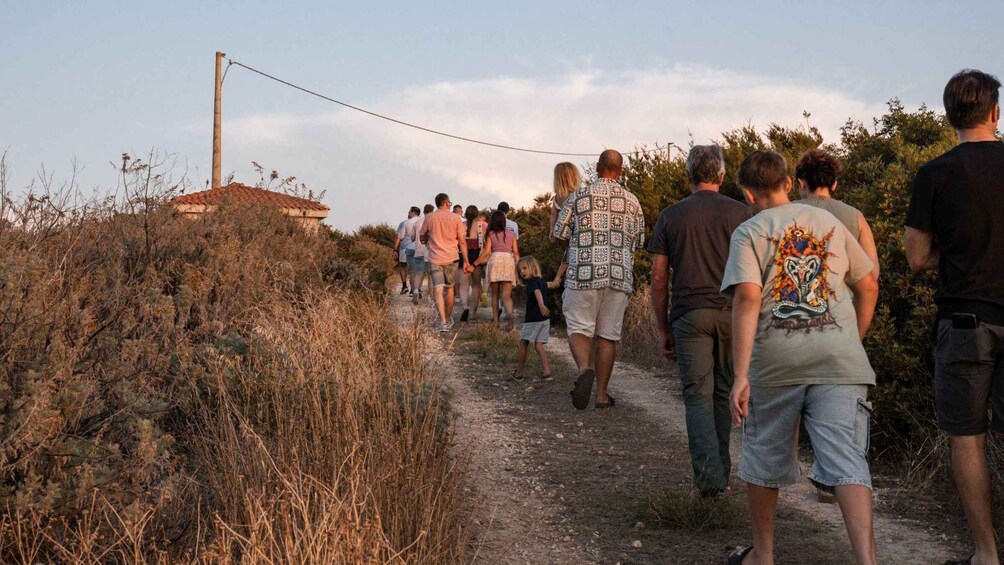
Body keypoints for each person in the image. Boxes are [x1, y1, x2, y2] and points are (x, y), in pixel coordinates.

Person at [722, 150, 879, 565]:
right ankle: (868, 561)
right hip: (841, 363)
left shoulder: (749, 232)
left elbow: (747, 298)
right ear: (788, 183)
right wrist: (852, 342)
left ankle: (764, 556)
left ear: (747, 193)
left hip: (776, 365)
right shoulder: (830, 221)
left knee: (764, 458)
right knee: (847, 461)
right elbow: (868, 285)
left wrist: (740, 375)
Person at [905, 69, 1004, 565]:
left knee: (967, 438)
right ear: (995, 112)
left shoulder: (935, 173)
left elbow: (916, 257)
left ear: (949, 117)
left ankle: (986, 553)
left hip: (964, 319)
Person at [648, 144, 753, 497]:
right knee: (726, 392)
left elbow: (659, 279)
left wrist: (662, 328)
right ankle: (721, 475)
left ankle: (708, 480)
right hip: (733, 314)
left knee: (697, 397)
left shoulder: (670, 216)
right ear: (722, 176)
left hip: (690, 315)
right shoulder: (743, 213)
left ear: (688, 176)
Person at [553, 149, 645, 410]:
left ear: (597, 167)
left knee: (580, 327)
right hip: (618, 275)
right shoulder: (633, 201)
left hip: (583, 273)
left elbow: (559, 234)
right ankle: (602, 396)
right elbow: (638, 241)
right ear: (621, 171)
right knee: (608, 335)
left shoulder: (578, 196)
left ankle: (584, 369)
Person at [796, 149, 880, 282]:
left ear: (801, 183)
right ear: (834, 184)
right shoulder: (856, 216)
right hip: (846, 300)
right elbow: (872, 273)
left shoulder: (782, 213)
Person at [419, 193, 471, 332]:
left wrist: (428, 239)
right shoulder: (456, 218)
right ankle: (447, 319)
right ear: (447, 203)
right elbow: (462, 241)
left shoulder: (429, 217)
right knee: (449, 289)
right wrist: (466, 261)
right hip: (452, 257)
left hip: (435, 258)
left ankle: (442, 322)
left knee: (438, 288)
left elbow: (421, 236)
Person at [513, 256, 559, 381]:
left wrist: (541, 305)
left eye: (524, 268)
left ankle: (519, 373)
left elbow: (537, 292)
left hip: (533, 318)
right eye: (519, 270)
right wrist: (555, 283)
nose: (522, 272)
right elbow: (547, 285)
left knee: (524, 343)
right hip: (544, 319)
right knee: (539, 345)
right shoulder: (540, 280)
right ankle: (547, 372)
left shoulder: (532, 282)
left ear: (533, 267)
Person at [472, 210, 519, 330]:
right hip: (508, 260)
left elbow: (487, 251)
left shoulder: (490, 234)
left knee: (495, 295)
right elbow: (516, 252)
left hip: (495, 261)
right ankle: (510, 316)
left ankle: (496, 322)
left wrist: (475, 264)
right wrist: (518, 266)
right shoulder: (511, 234)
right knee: (507, 296)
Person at [549, 162, 581, 286]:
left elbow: (553, 215)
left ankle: (557, 277)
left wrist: (552, 230)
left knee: (568, 252)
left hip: (563, 232)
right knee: (571, 252)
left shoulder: (557, 197)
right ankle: (558, 277)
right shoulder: (577, 195)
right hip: (576, 229)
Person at [460, 205, 487, 322]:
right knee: (476, 285)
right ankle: (473, 313)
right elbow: (485, 243)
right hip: (477, 255)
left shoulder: (462, 225)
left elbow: (459, 242)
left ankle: (465, 306)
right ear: (477, 214)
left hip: (463, 254)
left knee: (463, 285)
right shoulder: (481, 226)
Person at [406, 205, 430, 304]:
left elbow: (412, 238)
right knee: (431, 275)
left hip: (418, 251)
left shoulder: (417, 223)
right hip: (429, 252)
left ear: (423, 212)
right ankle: (430, 297)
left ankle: (415, 290)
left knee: (419, 273)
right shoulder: (432, 221)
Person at [393, 212, 412, 294]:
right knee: (413, 269)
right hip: (417, 248)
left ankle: (404, 286)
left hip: (405, 248)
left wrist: (395, 249)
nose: (408, 213)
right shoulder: (420, 222)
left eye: (409, 212)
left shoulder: (404, 223)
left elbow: (399, 237)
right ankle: (414, 288)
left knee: (402, 266)